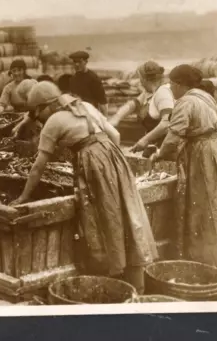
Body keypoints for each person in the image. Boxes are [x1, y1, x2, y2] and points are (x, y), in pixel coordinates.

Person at [9, 81, 158, 292]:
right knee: (126, 213)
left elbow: (38, 166)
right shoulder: (85, 106)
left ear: (47, 106)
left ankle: (110, 279)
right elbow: (115, 136)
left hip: (93, 164)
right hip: (115, 157)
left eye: (37, 111)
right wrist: (110, 163)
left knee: (103, 217)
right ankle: (135, 282)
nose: (38, 116)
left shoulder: (54, 120)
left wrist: (24, 196)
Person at [150, 64, 217, 271]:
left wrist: (159, 155)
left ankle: (207, 262)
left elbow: (172, 138)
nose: (171, 89)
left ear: (178, 84)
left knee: (204, 205)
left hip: (203, 155)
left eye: (171, 84)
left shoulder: (186, 102)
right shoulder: (206, 96)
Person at [108, 61, 175, 155]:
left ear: (145, 79)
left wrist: (144, 140)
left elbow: (167, 123)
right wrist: (116, 118)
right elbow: (132, 105)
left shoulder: (163, 93)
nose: (140, 82)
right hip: (154, 145)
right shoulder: (149, 92)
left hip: (166, 147)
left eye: (140, 78)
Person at [0, 58, 36, 129]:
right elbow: (1, 107)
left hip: (32, 117)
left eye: (19, 70)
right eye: (14, 71)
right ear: (11, 72)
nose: (16, 73)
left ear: (24, 71)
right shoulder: (8, 87)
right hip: (18, 118)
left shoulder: (32, 83)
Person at [68, 50, 108, 115]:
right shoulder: (72, 79)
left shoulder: (93, 78)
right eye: (75, 62)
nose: (77, 64)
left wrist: (105, 120)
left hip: (91, 112)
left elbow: (102, 101)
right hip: (76, 112)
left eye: (80, 62)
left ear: (86, 62)